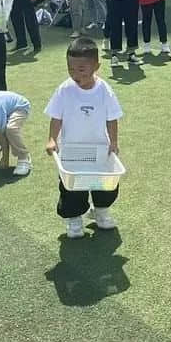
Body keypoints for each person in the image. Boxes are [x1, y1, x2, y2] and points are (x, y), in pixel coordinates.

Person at [44, 38, 124, 239]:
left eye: (81, 69)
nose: (75, 74)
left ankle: (101, 212)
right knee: (72, 188)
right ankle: (74, 219)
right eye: (71, 69)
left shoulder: (104, 89)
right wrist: (52, 139)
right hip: (71, 147)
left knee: (105, 184)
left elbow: (112, 118)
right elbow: (56, 116)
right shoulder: (65, 89)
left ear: (96, 66)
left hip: (99, 146)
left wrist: (113, 142)